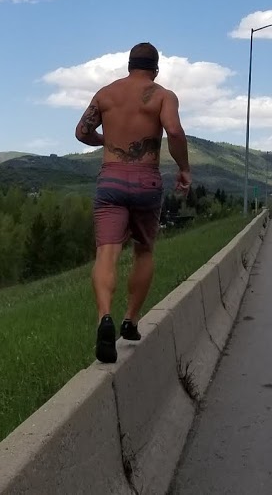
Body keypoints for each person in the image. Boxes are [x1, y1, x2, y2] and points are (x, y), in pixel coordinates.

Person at [74, 42, 191, 364]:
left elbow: (82, 132)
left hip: (111, 179)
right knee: (144, 250)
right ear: (156, 69)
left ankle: (104, 317)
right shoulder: (163, 95)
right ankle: (131, 320)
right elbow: (174, 131)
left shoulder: (106, 94)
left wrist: (108, 141)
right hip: (146, 180)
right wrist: (184, 168)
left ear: (129, 65)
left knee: (106, 253)